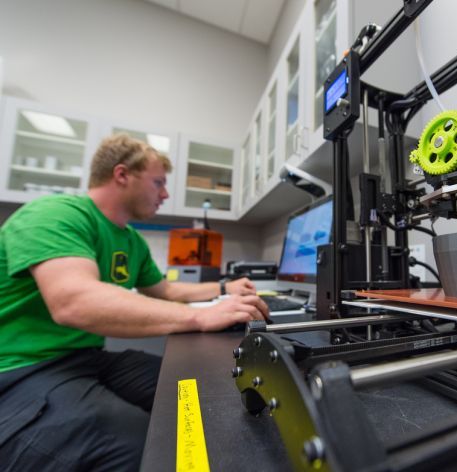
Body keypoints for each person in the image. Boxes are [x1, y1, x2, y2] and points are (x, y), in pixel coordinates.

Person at [0, 133, 269, 471]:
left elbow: (167, 291)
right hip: (19, 371)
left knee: (199, 388)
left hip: (85, 358)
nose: (166, 193)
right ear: (122, 175)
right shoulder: (53, 214)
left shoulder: (130, 240)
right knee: (139, 446)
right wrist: (200, 318)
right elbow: (73, 302)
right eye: (158, 182)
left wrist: (224, 288)